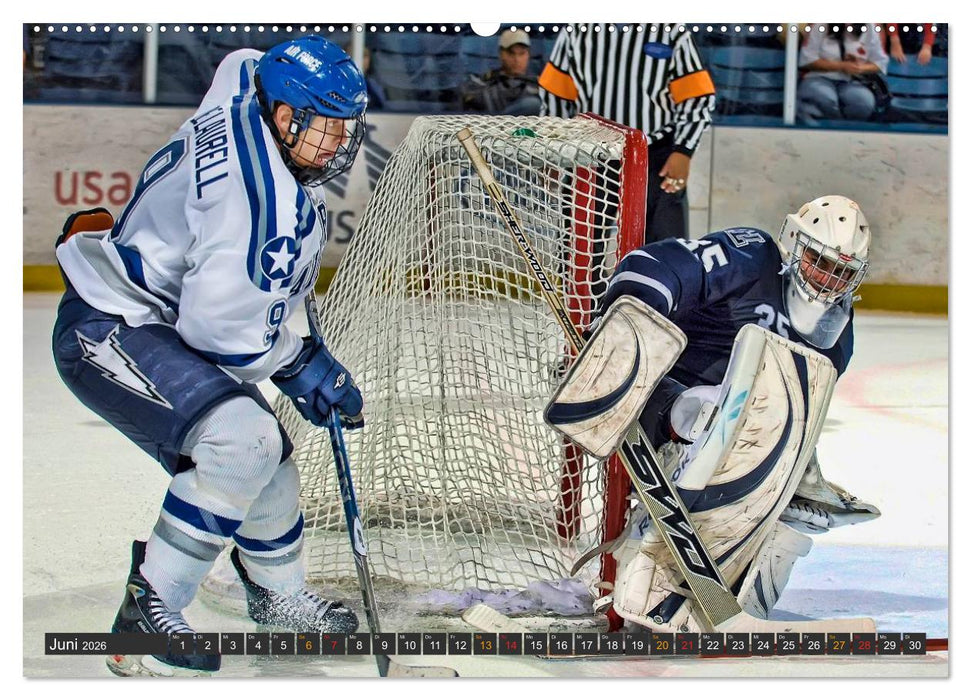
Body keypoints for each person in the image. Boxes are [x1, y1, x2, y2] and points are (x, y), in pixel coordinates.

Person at [51, 35, 368, 677]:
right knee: (243, 441)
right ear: (284, 117)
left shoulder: (246, 88)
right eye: (322, 128)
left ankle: (278, 596)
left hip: (147, 313)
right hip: (108, 328)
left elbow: (242, 60)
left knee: (268, 450)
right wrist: (300, 362)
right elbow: (223, 336)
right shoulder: (259, 205)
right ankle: (151, 610)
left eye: (344, 127)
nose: (336, 143)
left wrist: (301, 350)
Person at [598, 195, 880, 631]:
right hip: (656, 396)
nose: (826, 280)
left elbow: (800, 410)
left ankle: (731, 605)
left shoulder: (836, 339)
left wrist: (798, 471)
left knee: (785, 516)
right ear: (792, 242)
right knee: (708, 413)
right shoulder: (750, 255)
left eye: (841, 272)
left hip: (732, 440)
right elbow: (651, 264)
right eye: (817, 261)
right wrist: (628, 324)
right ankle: (647, 561)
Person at [538, 24, 715, 244]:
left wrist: (684, 150)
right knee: (579, 245)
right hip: (590, 156)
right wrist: (555, 150)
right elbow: (556, 95)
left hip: (656, 156)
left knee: (666, 246)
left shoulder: (670, 31)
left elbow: (697, 97)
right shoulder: (577, 30)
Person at [797, 24, 890, 125]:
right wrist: (841, 66)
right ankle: (833, 130)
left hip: (851, 80)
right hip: (818, 77)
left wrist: (859, 67)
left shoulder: (870, 27)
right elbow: (807, 60)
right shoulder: (820, 25)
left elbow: (880, 63)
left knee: (863, 102)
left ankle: (851, 133)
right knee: (825, 98)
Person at [460, 29, 541, 116]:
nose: (517, 59)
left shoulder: (539, 86)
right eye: (511, 53)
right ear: (501, 53)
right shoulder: (483, 83)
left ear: (528, 55)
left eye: (522, 53)